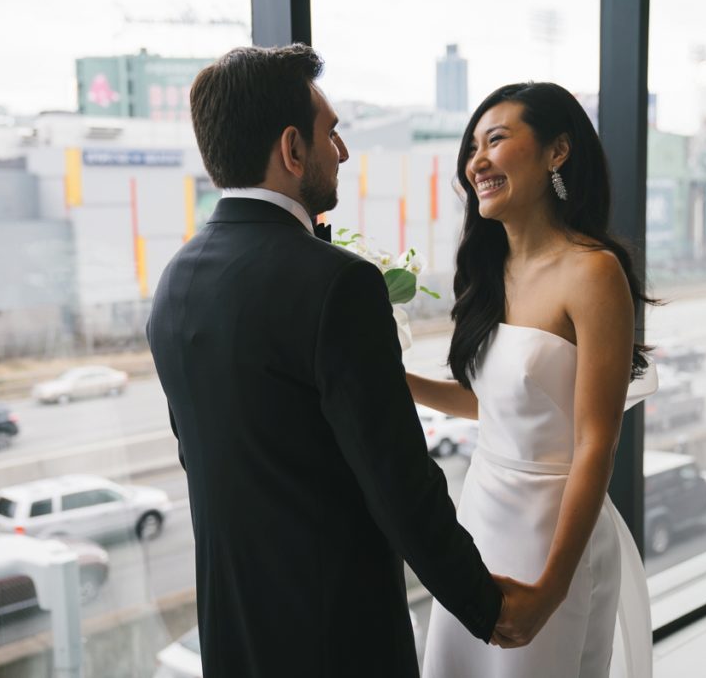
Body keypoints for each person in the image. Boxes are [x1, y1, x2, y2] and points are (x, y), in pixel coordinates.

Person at [146, 45, 526, 678]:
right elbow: (398, 476)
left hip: (233, 627)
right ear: (293, 150)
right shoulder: (337, 284)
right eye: (332, 133)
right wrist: (487, 608)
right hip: (334, 630)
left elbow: (203, 460)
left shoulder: (174, 282)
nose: (342, 153)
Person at [414, 82, 656, 677]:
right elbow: (490, 404)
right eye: (473, 147)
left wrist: (551, 586)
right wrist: (392, 378)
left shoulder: (593, 273)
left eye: (496, 140)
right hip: (481, 515)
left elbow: (596, 441)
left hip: (553, 534)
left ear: (557, 152)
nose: (477, 161)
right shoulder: (490, 270)